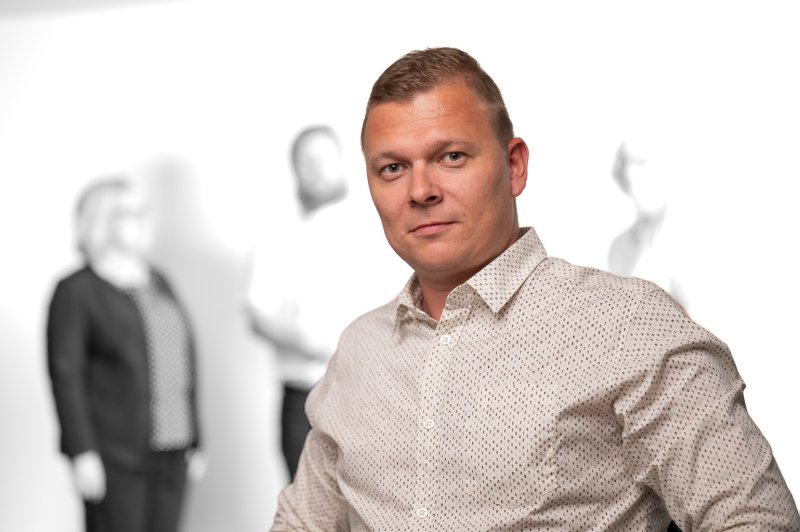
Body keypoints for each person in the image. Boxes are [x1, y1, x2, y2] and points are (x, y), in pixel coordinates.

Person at [270, 47, 800, 530]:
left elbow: (758, 523)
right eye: (392, 168)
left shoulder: (629, 325)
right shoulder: (359, 352)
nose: (421, 190)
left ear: (514, 165)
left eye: (451, 157)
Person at [47, 177, 205, 532]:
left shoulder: (158, 280)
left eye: (146, 211)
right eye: (134, 213)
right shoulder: (76, 291)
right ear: (102, 221)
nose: (147, 220)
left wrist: (197, 437)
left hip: (173, 450)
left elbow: (183, 360)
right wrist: (81, 451)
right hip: (115, 455)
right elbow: (66, 375)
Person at [247, 125, 399, 481]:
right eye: (307, 160)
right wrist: (307, 342)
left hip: (373, 394)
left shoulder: (380, 225)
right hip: (304, 398)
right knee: (308, 504)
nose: (316, 168)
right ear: (294, 168)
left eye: (323, 158)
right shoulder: (277, 235)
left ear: (341, 162)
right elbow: (257, 313)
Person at [609, 140, 688, 309]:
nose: (632, 173)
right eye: (627, 163)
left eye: (642, 163)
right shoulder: (620, 247)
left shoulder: (687, 249)